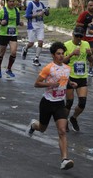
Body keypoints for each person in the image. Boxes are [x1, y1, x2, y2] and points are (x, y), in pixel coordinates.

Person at [27, 42, 76, 171]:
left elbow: (65, 79)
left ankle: (64, 160)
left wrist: (71, 83)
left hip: (60, 103)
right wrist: (50, 84)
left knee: (62, 131)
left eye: (62, 54)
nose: (61, 56)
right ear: (53, 55)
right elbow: (36, 83)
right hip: (47, 103)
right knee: (42, 128)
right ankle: (33, 125)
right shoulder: (48, 68)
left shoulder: (67, 68)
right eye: (58, 54)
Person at [64, 26, 93, 132]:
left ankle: (73, 118)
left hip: (82, 77)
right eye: (77, 36)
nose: (79, 38)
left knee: (82, 103)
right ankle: (65, 120)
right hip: (70, 76)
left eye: (81, 36)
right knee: (69, 102)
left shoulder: (86, 44)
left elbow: (90, 60)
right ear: (73, 34)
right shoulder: (67, 45)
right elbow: (62, 61)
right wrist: (72, 54)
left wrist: (90, 55)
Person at [0, 0, 23, 79]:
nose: (12, 3)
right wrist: (0, 22)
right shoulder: (2, 11)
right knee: (1, 53)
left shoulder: (16, 10)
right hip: (3, 34)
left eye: (13, 1)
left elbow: (17, 21)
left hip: (13, 34)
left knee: (13, 52)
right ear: (7, 2)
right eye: (10, 1)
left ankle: (9, 69)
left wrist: (20, 23)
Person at [22, 0, 50, 66]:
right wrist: (37, 14)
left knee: (40, 41)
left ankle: (36, 58)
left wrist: (46, 11)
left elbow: (46, 14)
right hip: (32, 25)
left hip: (40, 25)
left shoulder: (41, 4)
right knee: (31, 43)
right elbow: (27, 15)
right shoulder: (31, 4)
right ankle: (26, 48)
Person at [75, 0, 93, 77]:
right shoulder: (84, 14)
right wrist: (86, 25)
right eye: (90, 5)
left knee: (92, 52)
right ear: (87, 6)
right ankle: (80, 67)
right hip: (84, 36)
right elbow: (77, 23)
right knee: (82, 52)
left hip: (92, 37)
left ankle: (90, 69)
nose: (92, 7)